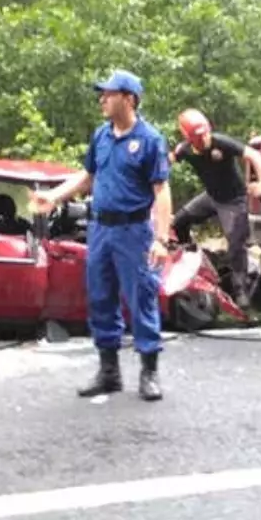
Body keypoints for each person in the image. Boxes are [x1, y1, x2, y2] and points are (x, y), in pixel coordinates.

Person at [28, 70, 172, 402]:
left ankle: (149, 372)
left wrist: (161, 239)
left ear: (129, 98)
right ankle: (109, 373)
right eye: (101, 94)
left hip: (134, 231)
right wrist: (54, 196)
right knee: (100, 298)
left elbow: (161, 190)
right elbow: (88, 176)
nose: (101, 99)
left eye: (108, 93)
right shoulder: (101, 136)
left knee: (141, 297)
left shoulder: (149, 139)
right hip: (100, 230)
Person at [169, 108, 261, 309]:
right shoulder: (185, 149)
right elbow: (166, 162)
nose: (205, 138)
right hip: (211, 197)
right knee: (179, 222)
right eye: (199, 137)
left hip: (233, 200)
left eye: (206, 133)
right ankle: (192, 261)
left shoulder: (220, 142)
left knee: (235, 243)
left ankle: (240, 290)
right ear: (189, 138)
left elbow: (253, 155)